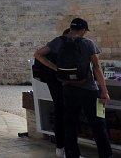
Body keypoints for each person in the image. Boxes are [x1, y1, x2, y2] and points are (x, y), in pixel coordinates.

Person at [34, 18, 112, 158]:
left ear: (70, 29)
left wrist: (55, 68)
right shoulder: (88, 43)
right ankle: (106, 155)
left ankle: (72, 155)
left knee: (70, 124)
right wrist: (105, 91)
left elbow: (38, 54)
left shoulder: (58, 41)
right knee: (98, 124)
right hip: (89, 89)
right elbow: (97, 67)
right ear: (83, 30)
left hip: (68, 89)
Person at [33, 28, 70, 158]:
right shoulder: (59, 43)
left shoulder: (60, 46)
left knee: (62, 111)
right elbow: (37, 54)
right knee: (62, 111)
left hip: (57, 82)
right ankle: (62, 147)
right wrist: (56, 69)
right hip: (57, 82)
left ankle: (62, 147)